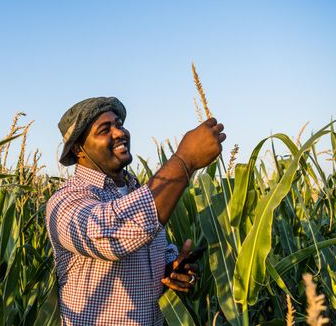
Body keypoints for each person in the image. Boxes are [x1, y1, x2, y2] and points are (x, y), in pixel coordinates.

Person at [46, 97, 226, 325]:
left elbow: (149, 245)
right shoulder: (64, 201)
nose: (120, 133)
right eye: (104, 129)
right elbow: (110, 235)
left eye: (119, 124)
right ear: (78, 149)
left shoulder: (137, 191)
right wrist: (185, 160)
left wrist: (171, 267)